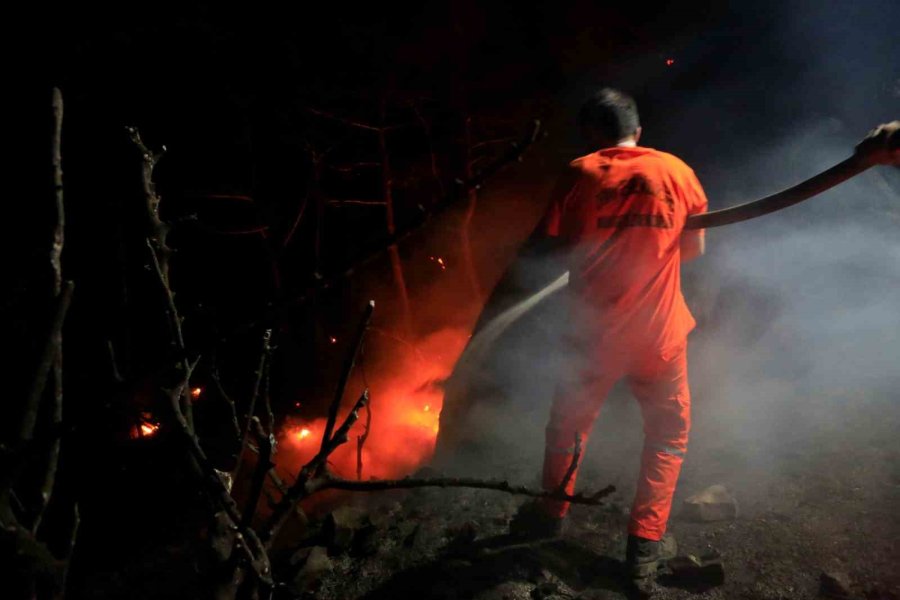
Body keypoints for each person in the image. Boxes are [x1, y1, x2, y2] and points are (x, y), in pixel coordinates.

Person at [509, 88, 708, 585]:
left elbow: (557, 243)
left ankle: (550, 520)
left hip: (592, 338)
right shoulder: (678, 172)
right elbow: (693, 251)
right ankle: (644, 548)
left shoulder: (579, 172)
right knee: (666, 438)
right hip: (658, 338)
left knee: (567, 429)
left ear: (592, 136)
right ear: (638, 131)